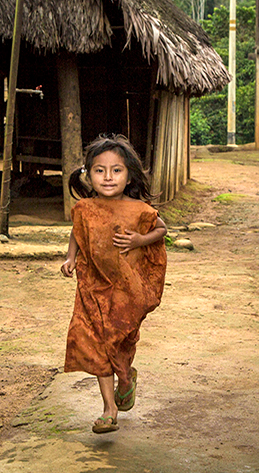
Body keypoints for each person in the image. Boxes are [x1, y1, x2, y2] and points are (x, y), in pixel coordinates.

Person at [61, 134, 167, 434]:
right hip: (92, 287)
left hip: (126, 292)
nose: (108, 177)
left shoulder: (140, 210)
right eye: (99, 170)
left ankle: (125, 379)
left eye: (116, 170)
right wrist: (70, 259)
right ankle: (109, 410)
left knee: (120, 343)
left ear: (129, 174)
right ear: (88, 174)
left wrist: (139, 240)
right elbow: (76, 234)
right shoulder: (84, 209)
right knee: (95, 343)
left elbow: (162, 229)